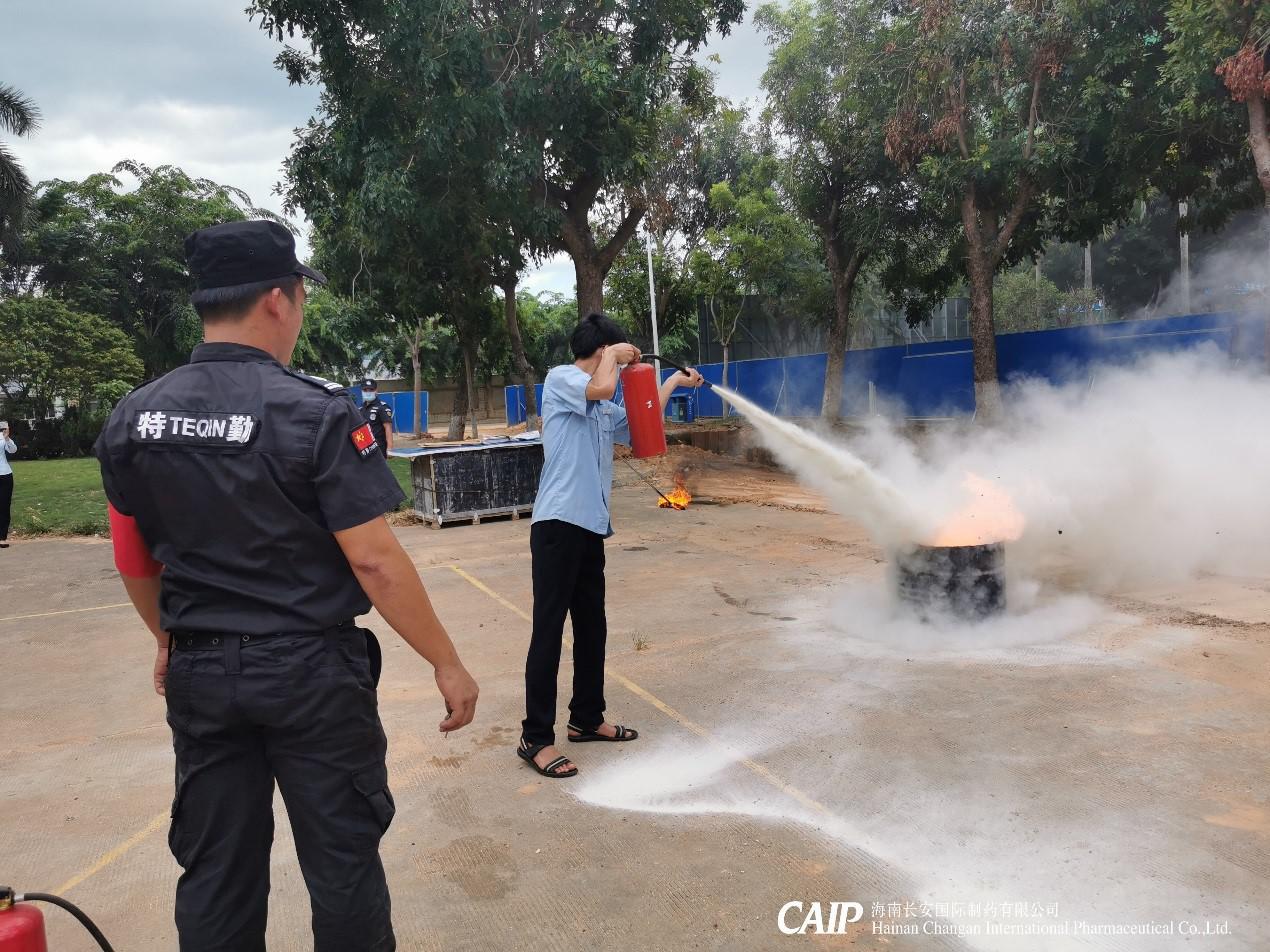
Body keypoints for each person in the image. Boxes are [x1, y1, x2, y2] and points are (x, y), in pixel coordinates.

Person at [93, 220, 479, 952]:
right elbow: (374, 560)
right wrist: (446, 661)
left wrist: (169, 640)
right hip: (310, 675)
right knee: (342, 863)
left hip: (202, 674)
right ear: (279, 298)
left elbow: (132, 558)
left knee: (216, 871)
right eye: (301, 296)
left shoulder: (135, 417)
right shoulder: (316, 411)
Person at [518, 313, 703, 778]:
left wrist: (672, 383)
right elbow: (600, 386)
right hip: (557, 524)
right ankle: (535, 738)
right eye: (616, 354)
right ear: (603, 350)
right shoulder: (562, 379)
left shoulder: (601, 407)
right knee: (548, 632)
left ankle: (586, 718)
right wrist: (615, 358)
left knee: (592, 628)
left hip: (590, 527)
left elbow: (642, 426)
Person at [359, 379, 394, 457]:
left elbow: (388, 427)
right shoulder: (361, 408)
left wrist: (390, 448)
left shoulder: (382, 407)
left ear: (376, 391)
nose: (368, 392)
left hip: (378, 447)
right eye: (365, 390)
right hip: (364, 448)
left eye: (371, 390)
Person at [0, 421, 15, 549]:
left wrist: (7, 438)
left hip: (5, 474)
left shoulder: (2, 437)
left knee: (4, 506)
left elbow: (13, 450)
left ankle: (2, 537)